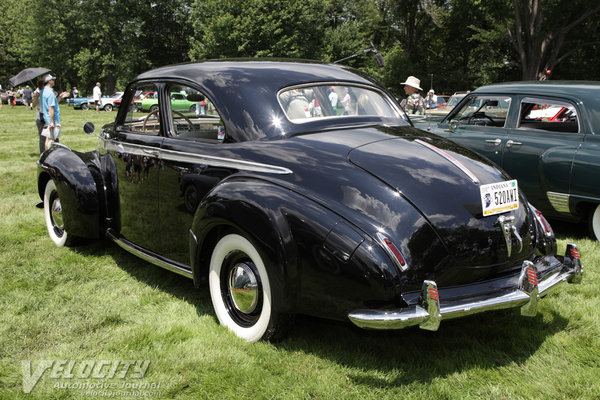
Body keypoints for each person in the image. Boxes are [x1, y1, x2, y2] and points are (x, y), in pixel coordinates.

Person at [40, 74, 68, 150]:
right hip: (53, 120)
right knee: (51, 141)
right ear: (50, 81)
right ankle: (50, 158)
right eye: (53, 79)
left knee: (47, 139)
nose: (54, 81)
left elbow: (53, 104)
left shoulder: (43, 91)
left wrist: (60, 97)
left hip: (46, 119)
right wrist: (52, 122)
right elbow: (51, 108)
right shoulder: (50, 93)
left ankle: (46, 156)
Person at [32, 79, 45, 153]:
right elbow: (33, 106)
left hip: (48, 115)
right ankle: (42, 154)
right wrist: (36, 97)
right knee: (42, 137)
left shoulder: (47, 91)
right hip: (40, 116)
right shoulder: (36, 92)